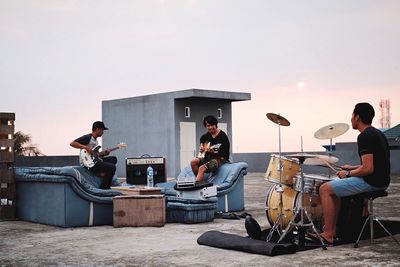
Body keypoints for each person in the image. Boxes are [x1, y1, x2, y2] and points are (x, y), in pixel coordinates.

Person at [318, 102, 390, 244]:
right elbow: (373, 165)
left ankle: (328, 233)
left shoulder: (364, 137)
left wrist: (348, 174)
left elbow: (368, 169)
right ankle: (335, 229)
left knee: (325, 189)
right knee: (334, 188)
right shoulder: (378, 134)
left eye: (352, 115)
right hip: (382, 181)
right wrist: (351, 168)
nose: (351, 118)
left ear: (357, 117)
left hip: (372, 183)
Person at [70, 121, 117, 189]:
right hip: (88, 164)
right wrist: (85, 147)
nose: (103, 132)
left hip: (94, 160)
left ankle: (100, 173)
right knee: (112, 167)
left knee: (113, 159)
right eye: (102, 130)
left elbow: (95, 155)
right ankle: (104, 188)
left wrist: (104, 153)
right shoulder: (88, 137)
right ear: (97, 129)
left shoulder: (95, 141)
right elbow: (72, 143)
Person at [190, 115, 230, 183]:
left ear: (216, 124)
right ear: (206, 126)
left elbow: (226, 153)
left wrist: (214, 151)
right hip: (208, 158)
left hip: (220, 159)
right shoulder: (205, 136)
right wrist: (202, 148)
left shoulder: (223, 136)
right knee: (193, 162)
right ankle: (200, 181)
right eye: (208, 125)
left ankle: (198, 185)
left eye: (212, 125)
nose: (210, 127)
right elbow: (202, 142)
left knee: (201, 168)